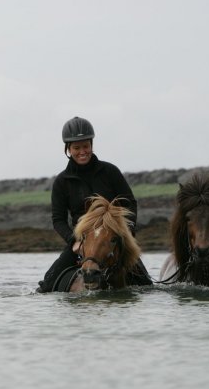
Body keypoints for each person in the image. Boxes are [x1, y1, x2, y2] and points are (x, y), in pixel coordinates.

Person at [37, 116, 151, 292]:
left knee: (146, 284)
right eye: (76, 147)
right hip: (81, 239)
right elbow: (58, 219)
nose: (82, 151)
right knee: (47, 284)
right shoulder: (61, 181)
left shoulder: (110, 171)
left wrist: (126, 232)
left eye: (85, 146)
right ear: (68, 149)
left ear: (91, 145)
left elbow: (130, 203)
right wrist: (74, 240)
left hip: (113, 237)